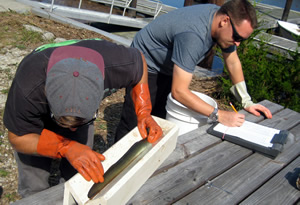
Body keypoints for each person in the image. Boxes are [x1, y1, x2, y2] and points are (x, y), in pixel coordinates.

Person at [3, 39, 162, 198]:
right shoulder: (28, 88)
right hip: (38, 112)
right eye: (62, 121)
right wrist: (64, 147)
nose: (71, 129)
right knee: (34, 178)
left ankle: (71, 193)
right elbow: (18, 137)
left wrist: (143, 112)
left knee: (78, 170)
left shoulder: (117, 63)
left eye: (81, 120)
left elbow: (139, 62)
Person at [115, 0, 273, 140]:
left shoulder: (218, 17)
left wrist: (246, 101)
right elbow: (179, 92)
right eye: (238, 37)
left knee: (159, 117)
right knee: (135, 122)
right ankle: (114, 165)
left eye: (242, 40)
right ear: (225, 21)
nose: (238, 44)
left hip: (167, 64)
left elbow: (232, 61)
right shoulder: (193, 36)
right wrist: (220, 115)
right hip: (145, 61)